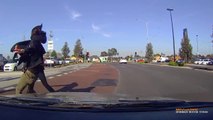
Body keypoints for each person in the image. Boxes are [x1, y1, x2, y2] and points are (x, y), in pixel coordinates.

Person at [15, 24, 55, 94]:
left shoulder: (34, 42)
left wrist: (21, 51)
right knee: (42, 85)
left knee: (18, 89)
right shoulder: (39, 45)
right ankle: (57, 96)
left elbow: (30, 50)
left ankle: (20, 103)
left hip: (32, 70)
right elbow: (32, 53)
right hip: (39, 69)